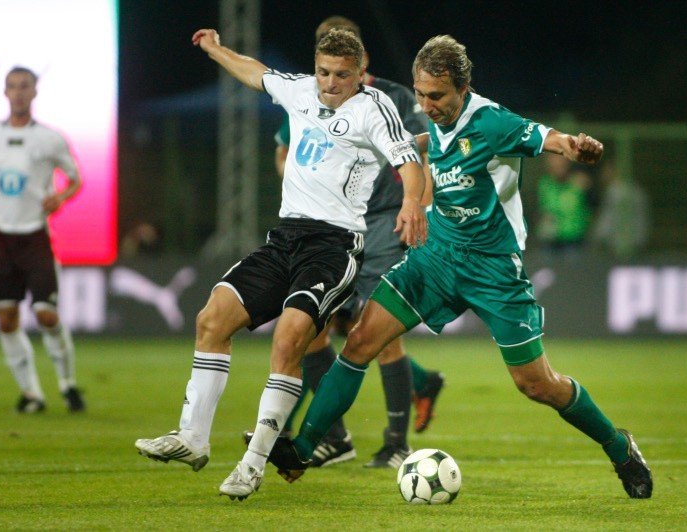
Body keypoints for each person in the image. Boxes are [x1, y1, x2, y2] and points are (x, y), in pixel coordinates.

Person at [268, 35, 653, 500]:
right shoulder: (433, 123)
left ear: (463, 88)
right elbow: (434, 144)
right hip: (436, 258)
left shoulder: (492, 121)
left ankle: (619, 446)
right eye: (420, 94)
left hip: (493, 269)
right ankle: (303, 449)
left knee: (536, 384)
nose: (426, 104)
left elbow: (548, 138)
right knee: (360, 341)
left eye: (437, 96)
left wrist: (575, 147)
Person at [135, 27, 428, 501]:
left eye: (342, 75)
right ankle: (192, 438)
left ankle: (254, 465)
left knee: (290, 339)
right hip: (285, 238)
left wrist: (411, 203)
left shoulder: (374, 109)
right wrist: (215, 50)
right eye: (324, 72)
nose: (331, 83)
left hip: (333, 247)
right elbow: (256, 74)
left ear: (359, 74)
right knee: (212, 319)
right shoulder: (300, 90)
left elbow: (409, 161)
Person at [257, 15, 445, 471]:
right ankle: (336, 436)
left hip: (384, 223)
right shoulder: (310, 97)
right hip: (332, 227)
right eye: (326, 63)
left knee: (375, 327)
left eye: (345, 63)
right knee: (318, 329)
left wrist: (419, 206)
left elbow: (423, 155)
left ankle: (395, 441)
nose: (334, 74)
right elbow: (285, 149)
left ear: (361, 60)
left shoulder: (397, 98)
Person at [0, 66, 86, 414]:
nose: (17, 92)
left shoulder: (50, 138)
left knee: (46, 314)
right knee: (6, 319)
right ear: (4, 92)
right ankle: (32, 394)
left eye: (24, 86)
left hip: (34, 236)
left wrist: (60, 197)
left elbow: (75, 179)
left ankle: (67, 384)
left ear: (34, 92)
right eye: (12, 86)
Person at [535, 153, 595, 262]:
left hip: (574, 240)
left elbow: (592, 207)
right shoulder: (544, 184)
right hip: (550, 241)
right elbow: (543, 210)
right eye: (553, 160)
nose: (557, 164)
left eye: (560, 160)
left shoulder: (579, 183)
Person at [590, 158, 651, 258]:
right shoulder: (637, 191)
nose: (602, 174)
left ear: (613, 170)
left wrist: (596, 240)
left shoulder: (614, 192)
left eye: (605, 170)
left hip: (617, 247)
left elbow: (606, 222)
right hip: (637, 244)